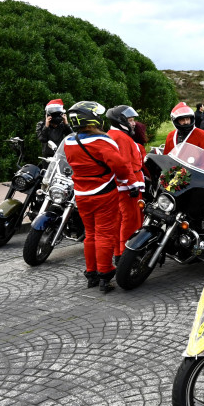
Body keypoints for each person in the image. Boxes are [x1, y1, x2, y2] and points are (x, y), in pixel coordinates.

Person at [64, 101, 133, 292]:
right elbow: (119, 166)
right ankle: (105, 275)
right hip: (103, 192)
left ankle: (91, 273)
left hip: (81, 193)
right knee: (104, 234)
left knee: (90, 234)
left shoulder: (70, 142)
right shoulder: (101, 142)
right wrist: (128, 181)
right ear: (92, 119)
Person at [106, 105, 145, 265]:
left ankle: (118, 253)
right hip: (128, 187)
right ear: (120, 121)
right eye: (130, 120)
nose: (134, 123)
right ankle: (126, 255)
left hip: (121, 186)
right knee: (130, 221)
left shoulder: (113, 135)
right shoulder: (120, 137)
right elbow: (124, 164)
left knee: (120, 221)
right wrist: (132, 185)